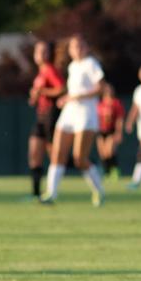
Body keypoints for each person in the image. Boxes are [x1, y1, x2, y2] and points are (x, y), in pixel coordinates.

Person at [42, 34, 107, 206]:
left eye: (81, 46)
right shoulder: (72, 67)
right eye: (74, 46)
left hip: (86, 114)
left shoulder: (91, 64)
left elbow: (100, 89)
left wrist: (77, 96)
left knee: (79, 158)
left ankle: (99, 190)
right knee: (57, 154)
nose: (78, 49)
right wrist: (66, 98)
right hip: (69, 113)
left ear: (87, 47)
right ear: (69, 50)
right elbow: (73, 92)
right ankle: (51, 193)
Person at [25, 40, 64, 200]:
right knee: (34, 152)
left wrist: (43, 91)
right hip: (41, 115)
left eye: (44, 51)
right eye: (38, 51)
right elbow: (41, 93)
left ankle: (87, 165)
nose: (40, 54)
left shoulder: (49, 70)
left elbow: (61, 88)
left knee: (55, 154)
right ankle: (36, 193)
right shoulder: (41, 72)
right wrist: (35, 97)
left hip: (51, 115)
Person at [95, 83, 126, 179]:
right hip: (100, 131)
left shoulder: (116, 103)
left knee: (110, 151)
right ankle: (106, 172)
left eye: (110, 89)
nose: (108, 91)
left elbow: (119, 119)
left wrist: (119, 132)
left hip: (111, 130)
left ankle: (115, 170)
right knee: (103, 153)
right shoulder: (99, 103)